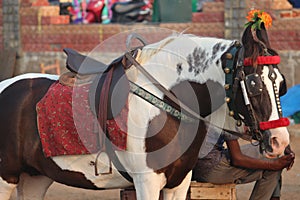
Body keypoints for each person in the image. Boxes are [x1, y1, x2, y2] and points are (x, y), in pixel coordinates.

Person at [192, 10, 295, 200]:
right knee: (273, 168)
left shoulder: (218, 92)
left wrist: (276, 143)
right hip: (210, 168)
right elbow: (237, 157)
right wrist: (272, 165)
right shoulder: (225, 101)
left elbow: (239, 133)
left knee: (276, 155)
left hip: (213, 158)